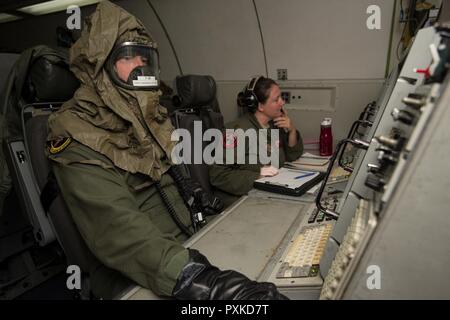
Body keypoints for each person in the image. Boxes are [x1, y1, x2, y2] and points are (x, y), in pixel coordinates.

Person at [46, 1, 287, 300]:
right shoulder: (75, 135)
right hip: (139, 272)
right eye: (128, 57)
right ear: (101, 65)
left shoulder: (152, 119)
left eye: (144, 57)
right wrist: (204, 284)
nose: (140, 65)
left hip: (191, 243)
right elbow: (119, 232)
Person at [209, 76, 304, 207]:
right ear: (260, 106)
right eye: (276, 100)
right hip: (242, 200)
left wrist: (292, 130)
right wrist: (257, 175)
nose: (282, 103)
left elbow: (292, 155)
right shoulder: (238, 131)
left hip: (268, 192)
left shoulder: (273, 125)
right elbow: (218, 175)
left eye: (281, 97)